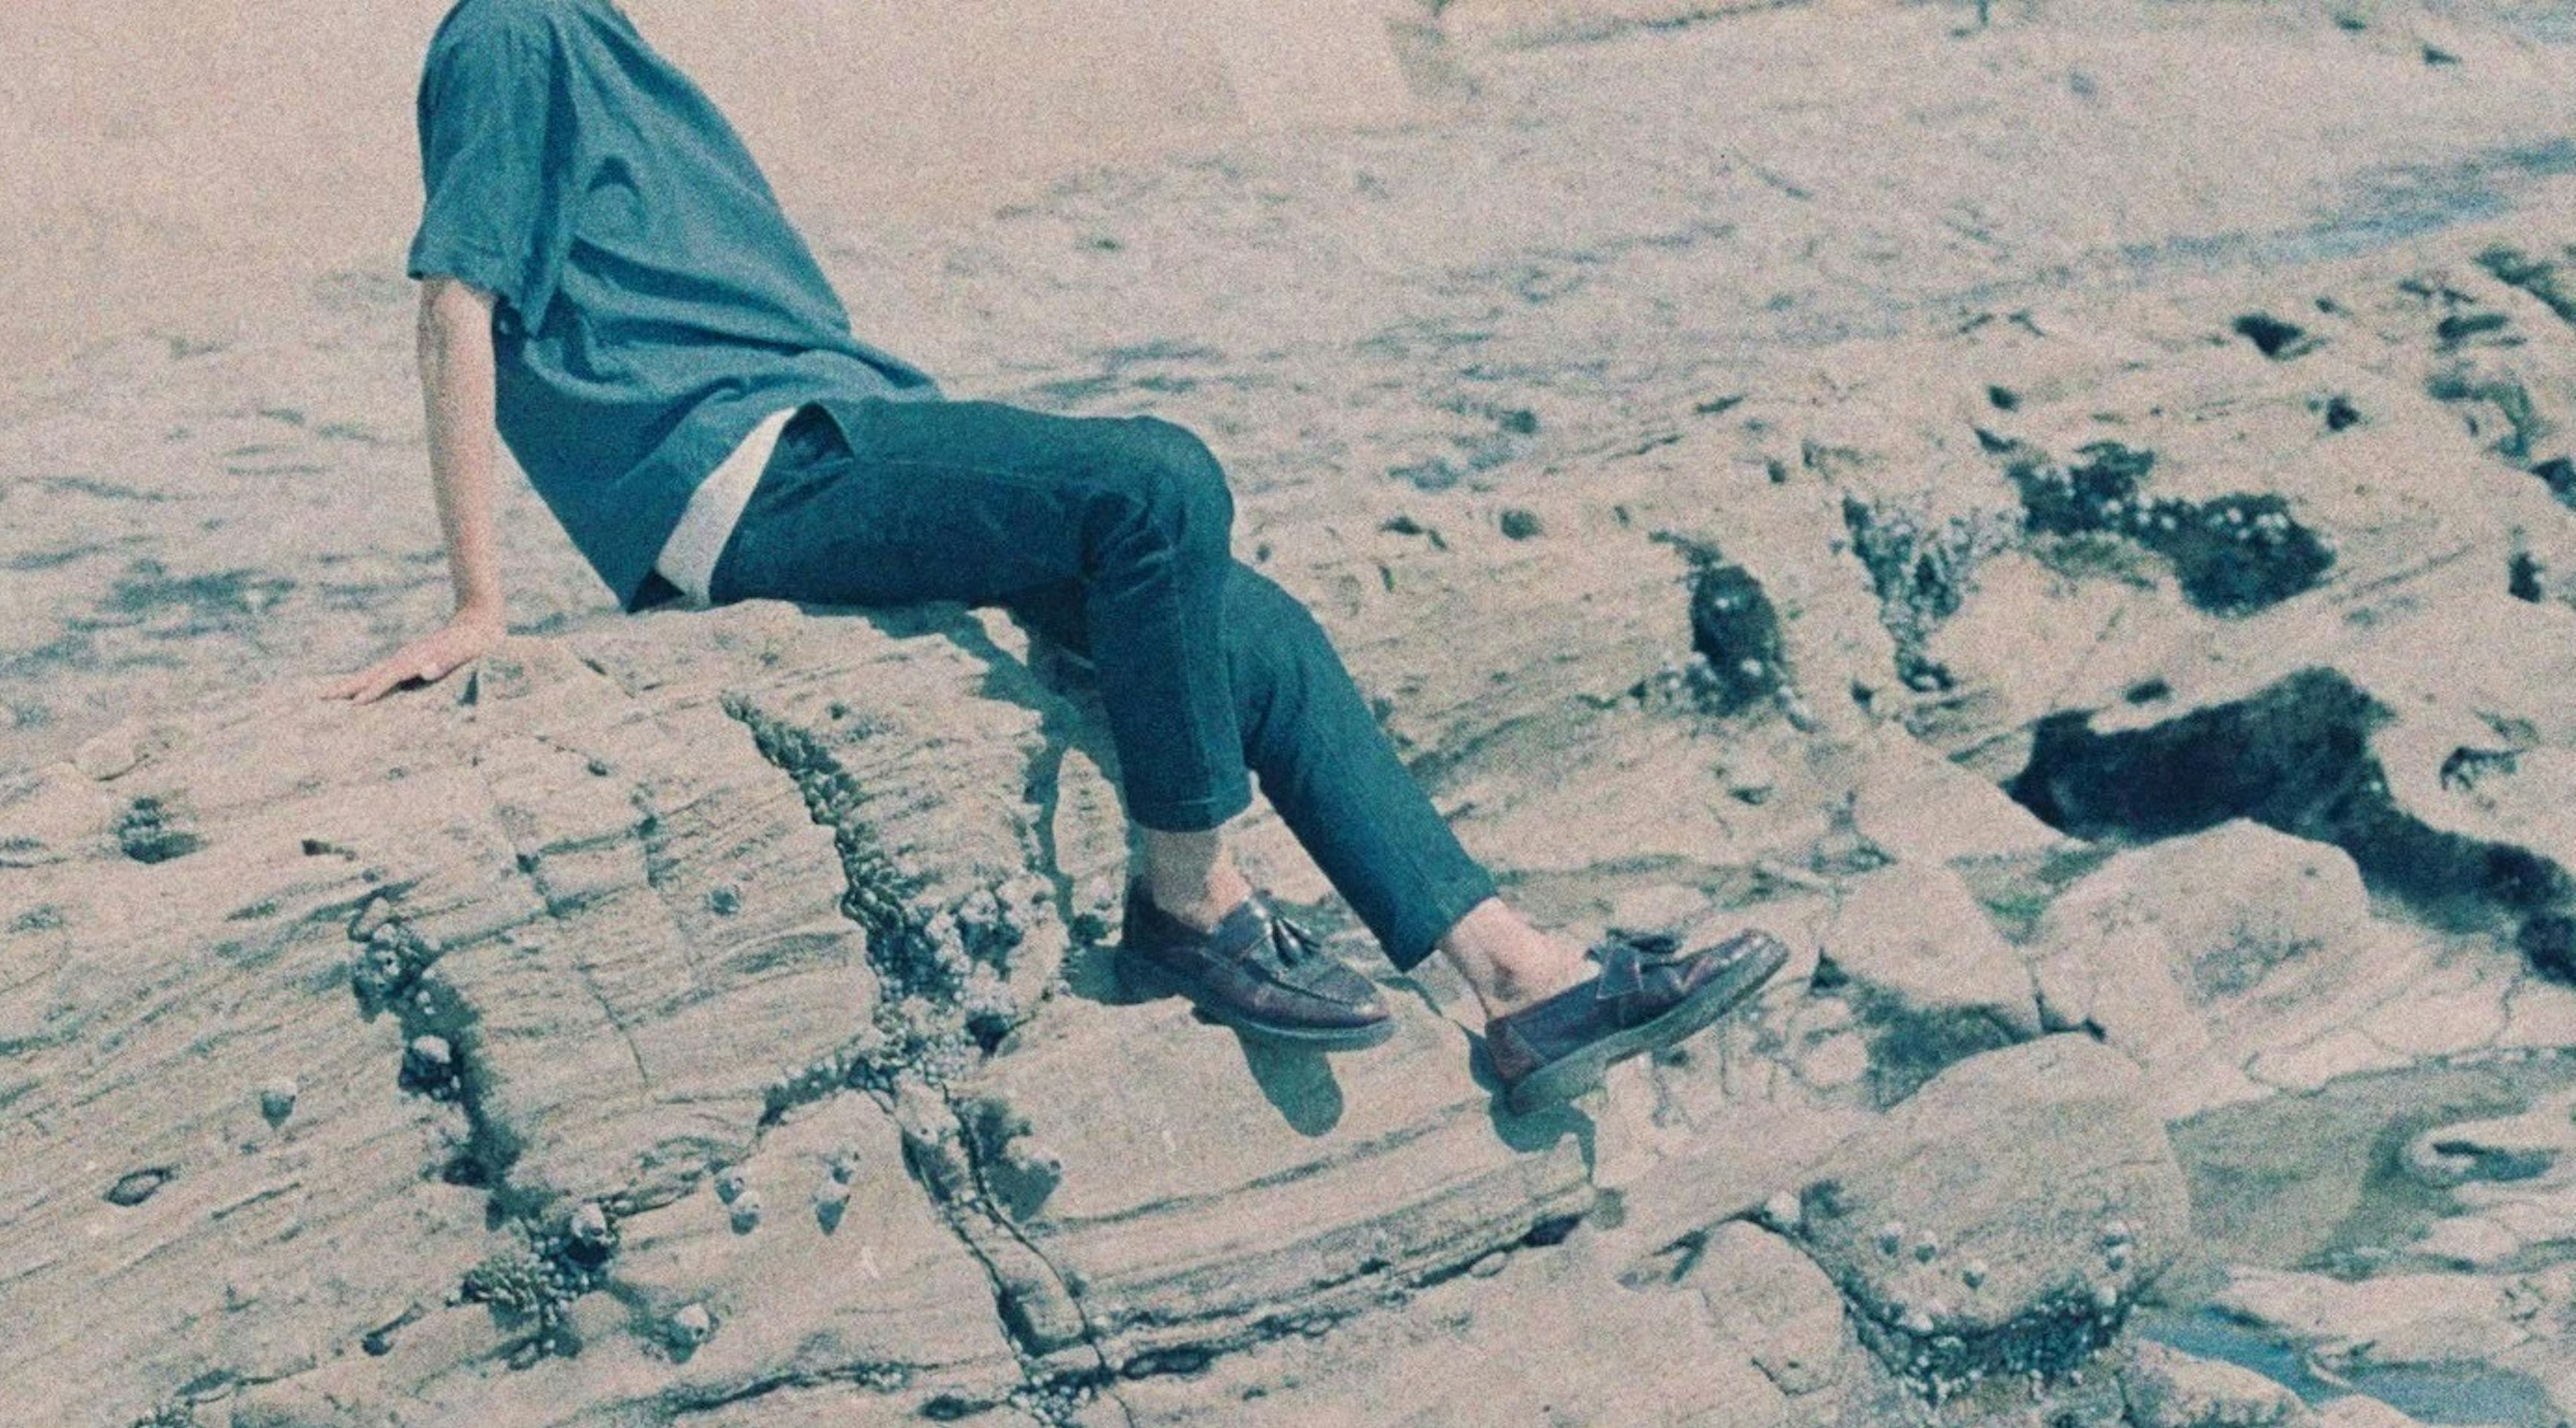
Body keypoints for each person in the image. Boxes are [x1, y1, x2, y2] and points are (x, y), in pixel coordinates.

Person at [327, 0, 1786, 1113]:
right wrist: (480, 601)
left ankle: (1516, 982)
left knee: (1240, 617)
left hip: (836, 435)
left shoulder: (591, 29)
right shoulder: (509, 32)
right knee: (1157, 482)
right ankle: (1187, 905)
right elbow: (456, 303)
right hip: (740, 482)